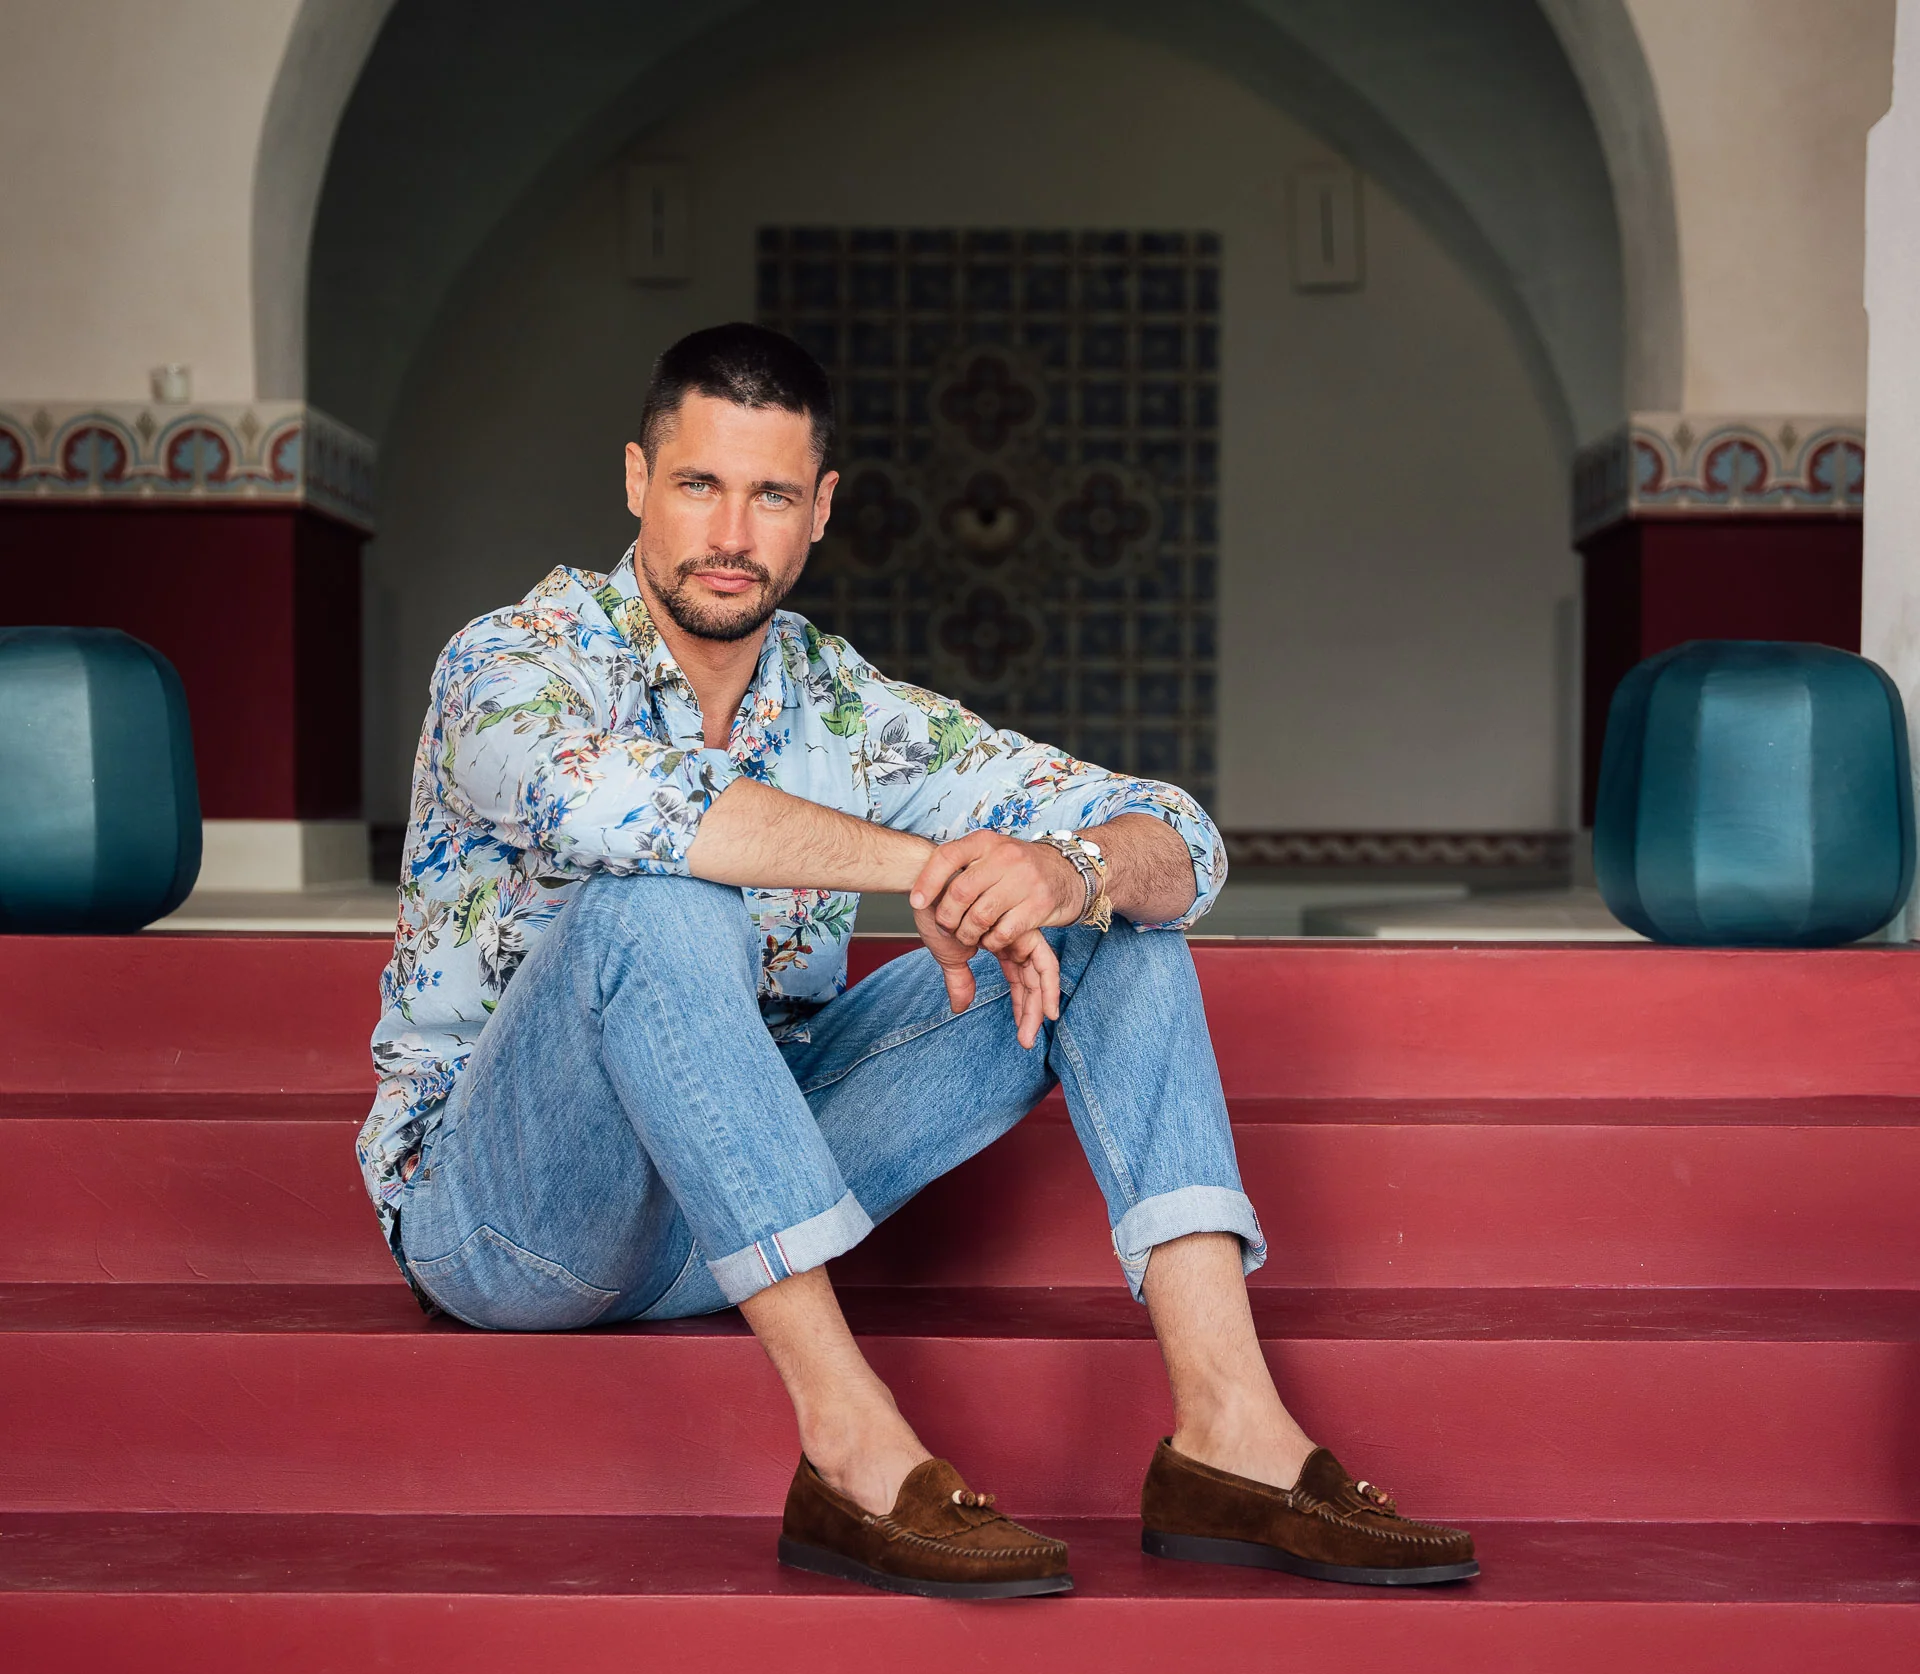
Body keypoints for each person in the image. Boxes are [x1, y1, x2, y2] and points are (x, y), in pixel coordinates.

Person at [358, 321, 1476, 1598]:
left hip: (724, 1203)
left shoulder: (840, 704)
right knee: (654, 908)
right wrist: (933, 867)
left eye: (773, 495)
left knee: (1102, 917)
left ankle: (1233, 1435)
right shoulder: (511, 661)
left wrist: (1067, 872)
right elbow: (637, 810)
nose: (732, 532)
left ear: (822, 510)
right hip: (511, 1225)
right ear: (636, 481)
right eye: (700, 484)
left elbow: (1179, 837)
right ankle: (852, 1445)